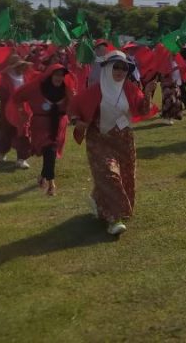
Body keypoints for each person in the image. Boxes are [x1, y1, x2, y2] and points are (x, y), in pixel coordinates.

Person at [70, 51, 157, 236]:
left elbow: (143, 109)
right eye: (116, 66)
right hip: (99, 141)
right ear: (107, 68)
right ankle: (113, 219)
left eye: (123, 67)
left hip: (124, 141)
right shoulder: (94, 90)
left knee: (126, 178)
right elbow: (74, 107)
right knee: (109, 175)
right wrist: (77, 120)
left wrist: (148, 93)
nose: (119, 70)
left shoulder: (131, 89)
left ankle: (98, 199)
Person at [13, 64, 75, 196]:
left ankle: (44, 177)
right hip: (41, 125)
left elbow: (74, 104)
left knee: (50, 152)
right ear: (50, 75)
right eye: (56, 74)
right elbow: (18, 96)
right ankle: (51, 183)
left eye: (61, 75)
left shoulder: (66, 90)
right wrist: (22, 111)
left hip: (58, 125)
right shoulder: (37, 88)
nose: (59, 77)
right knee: (49, 150)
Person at [0, 55, 32, 167]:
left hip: (23, 110)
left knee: (24, 132)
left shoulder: (25, 78)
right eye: (18, 66)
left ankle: (22, 158)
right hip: (7, 110)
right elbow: (2, 94)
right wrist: (14, 100)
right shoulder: (5, 79)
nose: (21, 68)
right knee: (5, 131)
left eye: (22, 65)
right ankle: (2, 152)